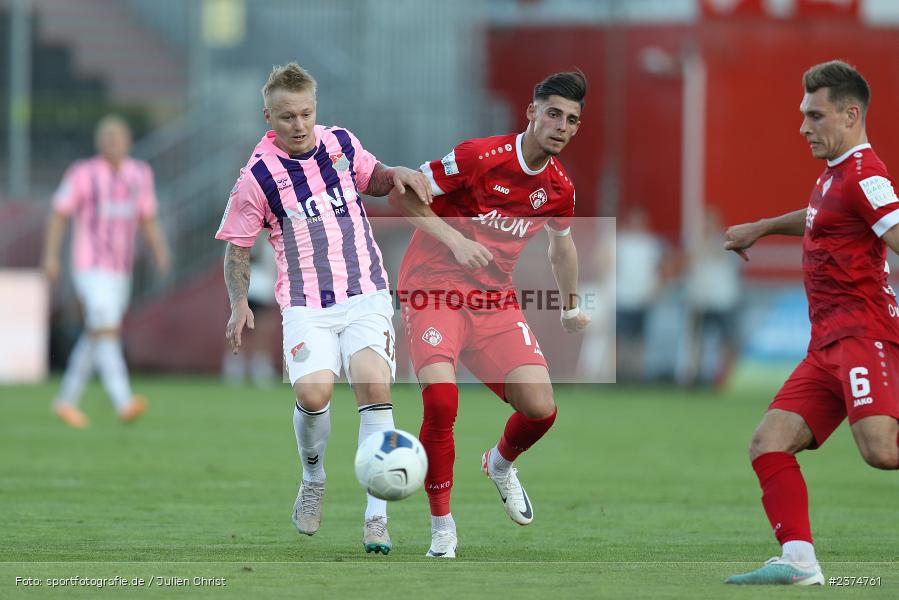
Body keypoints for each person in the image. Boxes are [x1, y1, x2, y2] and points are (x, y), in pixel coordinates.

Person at [214, 63, 431, 555]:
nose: (299, 125)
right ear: (269, 117)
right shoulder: (257, 176)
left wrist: (397, 173)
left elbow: (373, 178)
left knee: (374, 386)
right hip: (305, 302)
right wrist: (238, 303)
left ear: (316, 109)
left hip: (365, 291)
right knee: (313, 395)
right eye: (287, 116)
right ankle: (313, 477)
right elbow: (238, 248)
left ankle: (377, 517)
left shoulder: (340, 144)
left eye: (306, 113)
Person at [389, 71, 591, 558]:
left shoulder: (559, 187)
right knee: (442, 402)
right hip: (433, 288)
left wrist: (570, 306)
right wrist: (455, 240)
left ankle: (499, 463)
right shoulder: (479, 156)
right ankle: (442, 528)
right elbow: (404, 194)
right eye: (554, 114)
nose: (561, 126)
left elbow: (561, 247)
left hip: (492, 300)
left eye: (571, 120)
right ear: (532, 112)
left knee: (541, 408)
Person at [724, 60, 899, 585]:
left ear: (850, 115)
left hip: (863, 334)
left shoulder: (865, 174)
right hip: (826, 345)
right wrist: (761, 227)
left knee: (882, 451)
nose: (803, 127)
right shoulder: (835, 174)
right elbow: (819, 216)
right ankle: (799, 561)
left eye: (815, 116)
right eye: (804, 114)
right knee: (769, 442)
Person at [42, 114, 170, 428]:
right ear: (98, 143)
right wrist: (51, 256)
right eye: (107, 137)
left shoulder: (139, 174)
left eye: (117, 137)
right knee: (106, 326)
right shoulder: (83, 173)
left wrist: (159, 250)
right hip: (89, 265)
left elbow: (147, 217)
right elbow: (59, 214)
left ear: (128, 142)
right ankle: (123, 401)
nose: (112, 143)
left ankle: (66, 400)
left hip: (120, 268)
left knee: (97, 331)